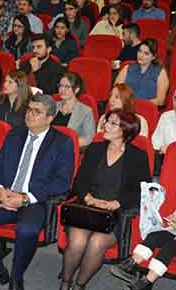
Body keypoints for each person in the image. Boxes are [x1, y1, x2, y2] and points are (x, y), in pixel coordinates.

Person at [0, 94, 75, 290]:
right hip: (6, 195)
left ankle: (16, 276)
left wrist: (25, 198)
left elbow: (62, 182)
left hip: (35, 201)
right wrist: (0, 191)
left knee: (26, 230)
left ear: (49, 118)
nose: (29, 114)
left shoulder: (62, 142)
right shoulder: (15, 134)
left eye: (37, 112)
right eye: (29, 109)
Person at [60, 110, 150, 290]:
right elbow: (79, 181)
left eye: (112, 123)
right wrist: (88, 198)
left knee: (96, 243)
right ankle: (66, 282)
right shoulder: (95, 149)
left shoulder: (138, 156)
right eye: (107, 121)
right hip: (87, 208)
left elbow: (142, 191)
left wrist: (117, 203)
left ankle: (79, 285)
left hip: (116, 214)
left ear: (125, 130)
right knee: (77, 241)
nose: (105, 125)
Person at [115, 39, 169, 106]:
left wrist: (138, 105)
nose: (141, 55)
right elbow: (116, 91)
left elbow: (160, 101)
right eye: (140, 51)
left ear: (153, 57)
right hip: (126, 107)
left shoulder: (160, 73)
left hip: (146, 108)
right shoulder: (127, 68)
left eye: (146, 53)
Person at [54, 72, 96, 147]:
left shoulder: (86, 112)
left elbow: (89, 138)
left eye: (67, 87)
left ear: (76, 90)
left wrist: (68, 143)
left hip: (69, 148)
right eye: (60, 86)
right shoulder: (53, 106)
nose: (62, 89)